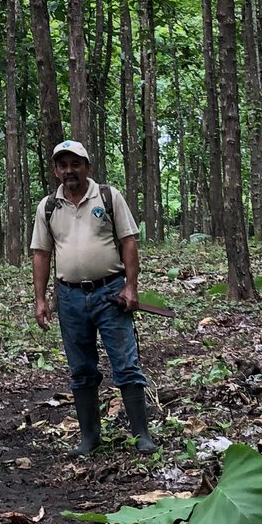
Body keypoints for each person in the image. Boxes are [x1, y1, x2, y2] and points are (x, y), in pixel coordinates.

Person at [31, 138, 156, 453]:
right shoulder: (48, 206)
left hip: (110, 292)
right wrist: (41, 299)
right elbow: (41, 254)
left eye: (75, 164)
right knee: (81, 369)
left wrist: (131, 285)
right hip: (70, 297)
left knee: (125, 363)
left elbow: (128, 240)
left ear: (87, 166)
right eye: (63, 165)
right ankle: (89, 438)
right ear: (56, 170)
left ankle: (141, 434)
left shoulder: (108, 197)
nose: (69, 171)